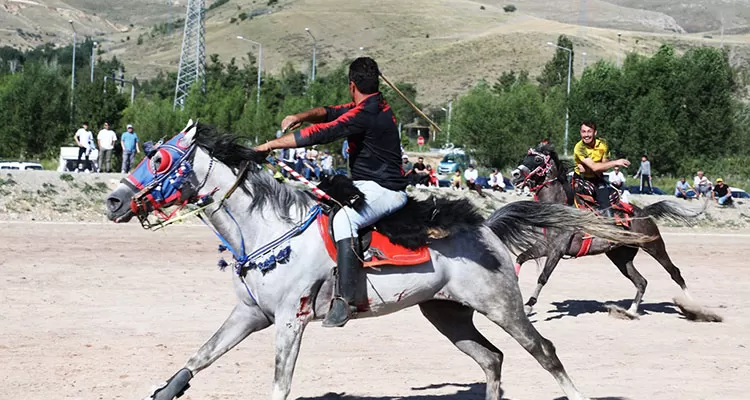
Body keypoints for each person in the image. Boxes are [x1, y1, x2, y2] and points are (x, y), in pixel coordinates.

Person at [254, 57, 409, 327]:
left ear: (351, 85)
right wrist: (299, 117)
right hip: (366, 185)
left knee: (344, 219)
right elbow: (329, 112)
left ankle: (345, 301)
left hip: (386, 189)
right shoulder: (369, 105)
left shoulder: (366, 114)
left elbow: (321, 133)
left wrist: (268, 146)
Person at [573, 121, 630, 216]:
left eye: (589, 131)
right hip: (581, 179)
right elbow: (596, 167)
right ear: (580, 132)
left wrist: (589, 168)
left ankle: (609, 226)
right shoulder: (579, 148)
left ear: (595, 132)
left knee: (607, 208)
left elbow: (604, 166)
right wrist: (615, 162)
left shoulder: (603, 143)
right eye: (583, 132)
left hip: (598, 179)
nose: (586, 135)